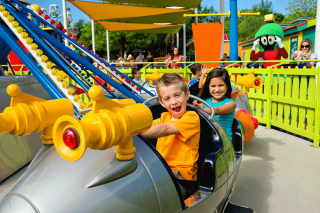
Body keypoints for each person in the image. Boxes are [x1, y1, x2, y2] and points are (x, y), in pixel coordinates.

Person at [141, 73, 200, 199]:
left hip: (182, 176)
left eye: (177, 95)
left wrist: (133, 131)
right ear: (162, 103)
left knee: (158, 199)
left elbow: (165, 129)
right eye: (167, 99)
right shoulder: (164, 117)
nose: (173, 102)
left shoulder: (191, 118)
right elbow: (147, 126)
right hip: (161, 171)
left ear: (187, 95)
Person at [193, 68, 236, 141]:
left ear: (227, 86)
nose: (217, 89)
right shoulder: (206, 101)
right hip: (207, 138)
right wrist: (196, 106)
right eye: (213, 86)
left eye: (221, 85)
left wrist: (198, 111)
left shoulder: (231, 104)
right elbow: (200, 106)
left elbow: (217, 110)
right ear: (208, 87)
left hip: (223, 142)